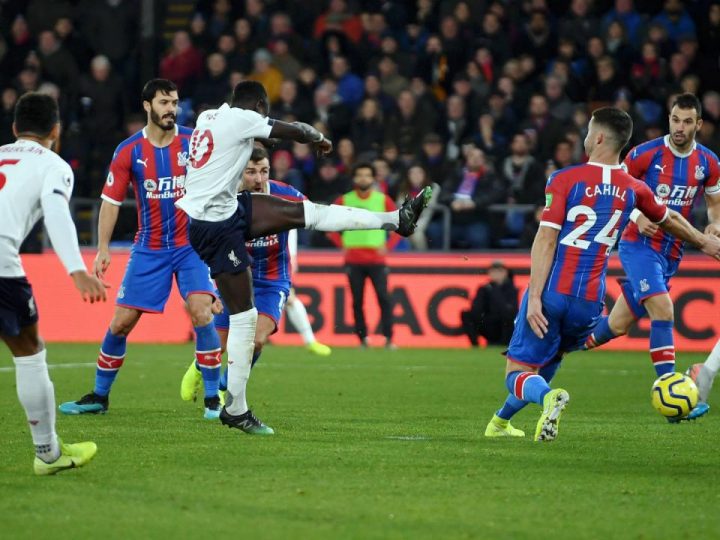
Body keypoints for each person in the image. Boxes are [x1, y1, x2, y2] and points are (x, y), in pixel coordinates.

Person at [175, 81, 430, 435]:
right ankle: (235, 408)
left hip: (225, 211)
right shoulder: (243, 119)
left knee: (307, 213)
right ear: (260, 105)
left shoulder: (209, 116)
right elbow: (293, 130)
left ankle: (394, 220)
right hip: (217, 227)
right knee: (245, 320)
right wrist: (318, 138)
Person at [483, 107, 720, 442]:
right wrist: (703, 242)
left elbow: (546, 239)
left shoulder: (564, 179)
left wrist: (534, 296)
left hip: (554, 292)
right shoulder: (633, 187)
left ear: (596, 138)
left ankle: (548, 397)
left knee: (517, 372)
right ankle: (500, 422)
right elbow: (670, 219)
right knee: (553, 356)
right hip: (590, 301)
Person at [59, 79, 225, 420]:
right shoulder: (129, 150)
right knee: (121, 323)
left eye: (175, 102)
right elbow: (110, 201)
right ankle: (99, 397)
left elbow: (220, 184)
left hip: (191, 245)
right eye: (164, 102)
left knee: (201, 312)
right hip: (149, 249)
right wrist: (103, 248)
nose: (171, 109)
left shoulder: (194, 142)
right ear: (147, 106)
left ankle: (212, 400)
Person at [582, 93, 720, 421]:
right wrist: (634, 216)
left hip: (672, 252)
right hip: (638, 246)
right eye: (675, 120)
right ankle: (674, 395)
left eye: (687, 122)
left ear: (698, 124)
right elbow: (615, 187)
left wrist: (714, 225)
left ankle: (558, 345)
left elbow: (714, 205)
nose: (680, 127)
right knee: (663, 308)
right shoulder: (645, 154)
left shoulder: (709, 163)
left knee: (615, 326)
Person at [0, 92, 106, 475]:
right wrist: (77, 269)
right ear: (56, 131)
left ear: (14, 129)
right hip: (1, 265)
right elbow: (57, 212)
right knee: (29, 351)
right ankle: (48, 453)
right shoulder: (54, 165)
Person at [180, 147, 331, 402]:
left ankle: (223, 385)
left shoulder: (285, 194)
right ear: (239, 171)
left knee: (257, 341)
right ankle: (198, 366)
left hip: (273, 280)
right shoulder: (223, 199)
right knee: (219, 345)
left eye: (264, 171)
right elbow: (205, 244)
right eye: (251, 172)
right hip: (234, 277)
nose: (259, 179)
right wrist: (210, 286)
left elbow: (317, 214)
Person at [327, 162, 400, 349]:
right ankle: (362, 339)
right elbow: (327, 224)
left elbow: (400, 224)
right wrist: (341, 243)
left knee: (383, 298)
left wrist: (388, 245)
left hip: (376, 258)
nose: (363, 179)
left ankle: (389, 338)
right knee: (357, 300)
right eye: (360, 175)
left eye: (367, 175)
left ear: (373, 178)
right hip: (354, 259)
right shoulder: (345, 200)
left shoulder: (382, 200)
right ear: (354, 178)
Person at [461, 261, 518, 347]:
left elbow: (510, 310)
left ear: (505, 273)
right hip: (489, 323)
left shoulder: (511, 289)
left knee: (509, 318)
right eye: (493, 271)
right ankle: (475, 345)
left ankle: (504, 344)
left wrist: (494, 290)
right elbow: (476, 309)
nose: (496, 274)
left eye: (499, 271)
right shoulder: (484, 289)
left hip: (504, 325)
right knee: (466, 314)